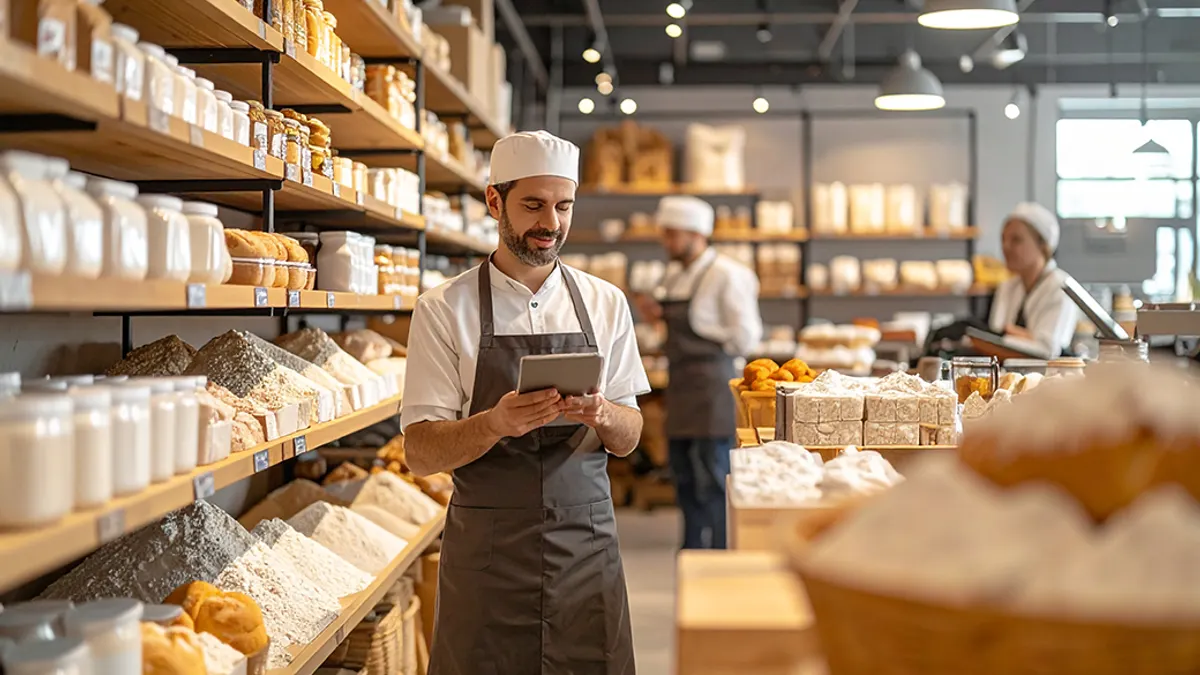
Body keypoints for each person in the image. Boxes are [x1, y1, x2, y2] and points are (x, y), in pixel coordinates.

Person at [400, 130, 648, 675]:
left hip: (586, 547)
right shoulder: (443, 309)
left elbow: (630, 438)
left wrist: (603, 413)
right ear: (494, 201)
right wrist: (493, 423)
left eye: (563, 206)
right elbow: (419, 453)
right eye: (533, 205)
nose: (551, 223)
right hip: (488, 557)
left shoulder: (606, 304)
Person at [634, 196, 763, 549]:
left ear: (697, 234)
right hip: (681, 385)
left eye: (672, 235)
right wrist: (657, 318)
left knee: (714, 476)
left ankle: (721, 552)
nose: (667, 243)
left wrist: (709, 343)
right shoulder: (674, 275)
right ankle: (691, 548)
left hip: (712, 386)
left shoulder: (728, 275)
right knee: (684, 476)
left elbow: (747, 336)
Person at [987, 202, 1078, 357]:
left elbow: (1049, 350)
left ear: (1043, 245)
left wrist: (1011, 334)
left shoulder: (1062, 289)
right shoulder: (1008, 287)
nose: (1006, 247)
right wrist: (1026, 337)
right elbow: (995, 338)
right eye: (1003, 239)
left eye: (1016, 240)